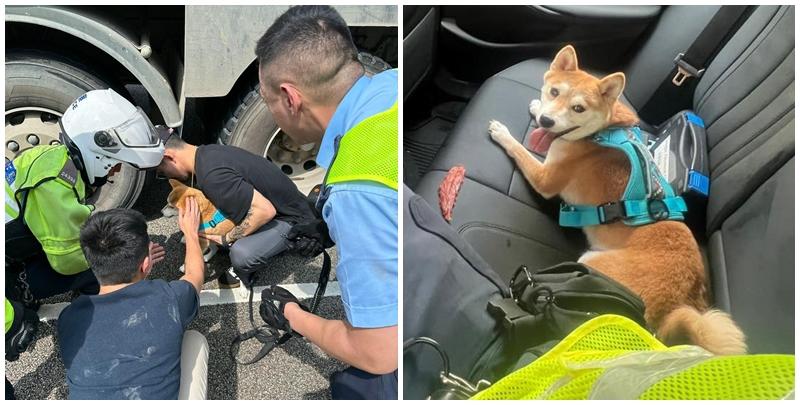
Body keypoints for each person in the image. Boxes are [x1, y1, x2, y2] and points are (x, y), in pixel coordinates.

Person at [254, 5, 398, 399]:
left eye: (267, 101)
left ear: (290, 98)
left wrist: (292, 315)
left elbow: (378, 353)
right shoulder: (391, 84)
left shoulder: (356, 191)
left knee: (360, 385)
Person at [5, 88, 166, 302]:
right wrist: (128, 259)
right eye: (116, 163)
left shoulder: (56, 159)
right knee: (101, 267)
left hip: (14, 246)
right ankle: (21, 286)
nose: (116, 170)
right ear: (97, 154)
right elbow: (66, 261)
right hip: (8, 260)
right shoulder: (53, 186)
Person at [57, 202, 208, 400]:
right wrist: (190, 233)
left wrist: (139, 269)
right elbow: (195, 274)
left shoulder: (69, 318)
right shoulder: (168, 298)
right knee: (195, 340)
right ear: (145, 264)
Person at [156, 136, 317, 288]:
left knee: (240, 254)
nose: (165, 176)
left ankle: (252, 266)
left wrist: (226, 238)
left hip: (293, 219)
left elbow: (264, 211)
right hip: (285, 202)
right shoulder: (207, 153)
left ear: (169, 157)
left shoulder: (211, 178)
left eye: (162, 172)